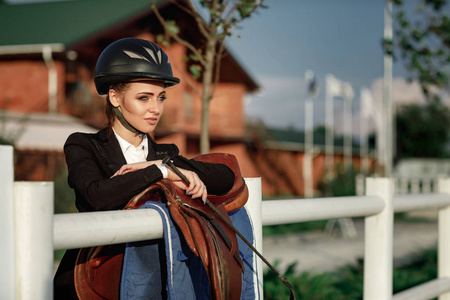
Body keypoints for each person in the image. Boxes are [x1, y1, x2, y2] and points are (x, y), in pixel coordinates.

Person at [53, 37, 235, 299]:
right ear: (114, 97)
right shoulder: (82, 145)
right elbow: (97, 196)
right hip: (92, 282)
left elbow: (225, 178)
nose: (156, 109)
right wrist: (159, 172)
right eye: (144, 98)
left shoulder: (165, 154)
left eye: (160, 98)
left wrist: (161, 163)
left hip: (154, 283)